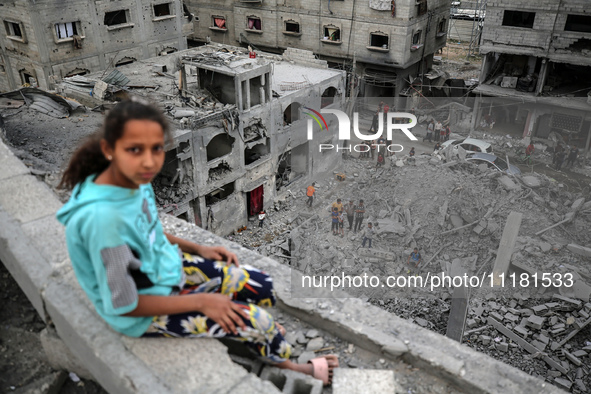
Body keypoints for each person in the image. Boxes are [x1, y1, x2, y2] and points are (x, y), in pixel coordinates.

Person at [55, 99, 338, 384]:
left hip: (161, 269)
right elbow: (125, 304)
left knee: (259, 283)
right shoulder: (102, 222)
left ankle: (251, 328)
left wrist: (196, 247)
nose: (149, 162)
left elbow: (146, 230)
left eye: (155, 149)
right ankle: (290, 365)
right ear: (109, 150)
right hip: (141, 310)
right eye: (134, 150)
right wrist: (203, 301)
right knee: (259, 322)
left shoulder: (131, 181)